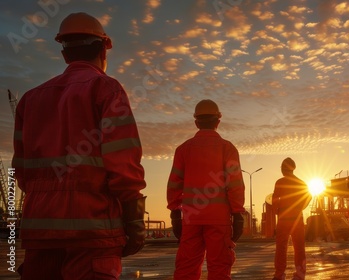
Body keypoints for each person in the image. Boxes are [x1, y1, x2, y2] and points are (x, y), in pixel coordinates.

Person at [12, 12, 147, 279]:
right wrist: (134, 219)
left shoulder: (30, 99)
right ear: (102, 49)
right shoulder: (106, 89)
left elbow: (23, 173)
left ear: (64, 55)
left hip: (40, 231)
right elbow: (123, 163)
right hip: (92, 232)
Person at [166, 99, 246, 280]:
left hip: (191, 218)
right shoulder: (228, 149)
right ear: (218, 121)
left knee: (186, 268)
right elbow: (235, 185)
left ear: (196, 123)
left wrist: (174, 213)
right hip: (219, 220)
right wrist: (238, 213)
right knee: (219, 268)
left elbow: (174, 184)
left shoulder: (183, 150)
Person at [272, 158, 312, 280]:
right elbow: (309, 197)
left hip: (284, 218)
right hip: (297, 219)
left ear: (284, 168)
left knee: (281, 248)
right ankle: (300, 274)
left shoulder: (280, 182)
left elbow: (274, 201)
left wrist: (276, 212)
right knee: (299, 247)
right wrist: (300, 208)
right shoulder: (301, 183)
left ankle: (279, 275)